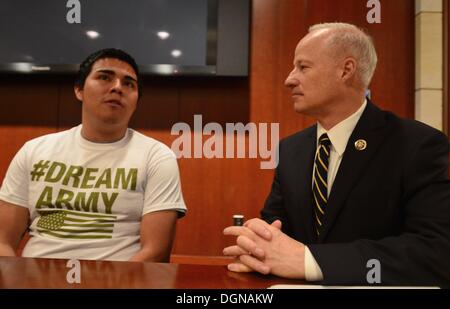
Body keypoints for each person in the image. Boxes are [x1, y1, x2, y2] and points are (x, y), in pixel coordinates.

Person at [223, 23, 450, 286]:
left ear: (346, 70)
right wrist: (256, 247)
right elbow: (276, 230)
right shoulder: (291, 150)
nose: (289, 79)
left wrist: (311, 261)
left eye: (303, 67)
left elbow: (437, 253)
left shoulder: (416, 144)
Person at [0, 48, 186, 262]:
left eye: (129, 84)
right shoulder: (33, 151)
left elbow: (155, 253)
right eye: (104, 77)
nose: (117, 88)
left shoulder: (157, 157)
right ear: (79, 90)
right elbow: (3, 241)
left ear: (136, 100)